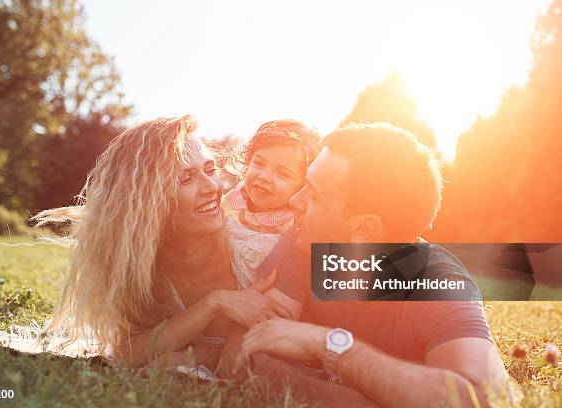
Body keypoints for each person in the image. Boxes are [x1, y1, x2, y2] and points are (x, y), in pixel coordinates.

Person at [225, 123, 512, 407]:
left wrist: (330, 344)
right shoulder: (305, 241)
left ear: (363, 229)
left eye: (313, 193)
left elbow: (481, 399)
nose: (295, 201)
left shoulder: (438, 282)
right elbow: (242, 355)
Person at [26, 115, 292, 369]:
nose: (211, 187)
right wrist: (215, 303)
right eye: (186, 178)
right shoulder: (140, 268)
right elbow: (128, 352)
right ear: (148, 201)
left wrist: (203, 355)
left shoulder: (258, 253)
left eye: (210, 169)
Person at [221, 119, 322, 288]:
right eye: (259, 163)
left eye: (282, 174)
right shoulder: (233, 200)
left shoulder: (293, 223)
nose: (264, 176)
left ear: (303, 184)